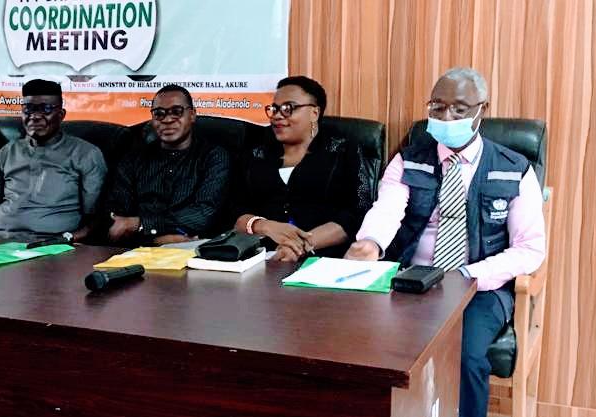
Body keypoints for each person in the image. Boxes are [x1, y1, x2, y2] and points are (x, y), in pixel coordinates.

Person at [344, 67, 546, 417]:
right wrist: (371, 243)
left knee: (466, 358)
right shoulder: (409, 159)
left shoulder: (514, 168)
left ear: (482, 110)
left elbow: (529, 248)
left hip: (479, 288)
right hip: (409, 280)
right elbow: (388, 208)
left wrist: (468, 275)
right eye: (437, 107)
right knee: (363, 346)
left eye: (459, 109)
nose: (447, 116)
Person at [233, 76, 373, 261]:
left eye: (288, 108)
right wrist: (265, 226)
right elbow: (234, 212)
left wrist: (302, 245)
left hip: (323, 258)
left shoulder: (343, 151)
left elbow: (356, 214)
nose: (277, 115)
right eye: (274, 109)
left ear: (314, 113)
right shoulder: (255, 153)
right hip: (258, 258)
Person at [0, 79, 106, 241]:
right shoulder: (8, 151)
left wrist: (70, 238)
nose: (35, 117)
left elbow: (95, 218)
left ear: (61, 115)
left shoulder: (86, 153)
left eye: (46, 109)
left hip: (50, 243)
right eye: (28, 109)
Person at [106, 85, 230, 246]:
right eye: (159, 114)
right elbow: (117, 217)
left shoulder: (213, 156)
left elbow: (203, 214)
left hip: (194, 249)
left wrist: (141, 224)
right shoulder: (133, 159)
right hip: (137, 249)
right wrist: (157, 239)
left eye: (176, 111)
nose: (167, 120)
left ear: (192, 115)